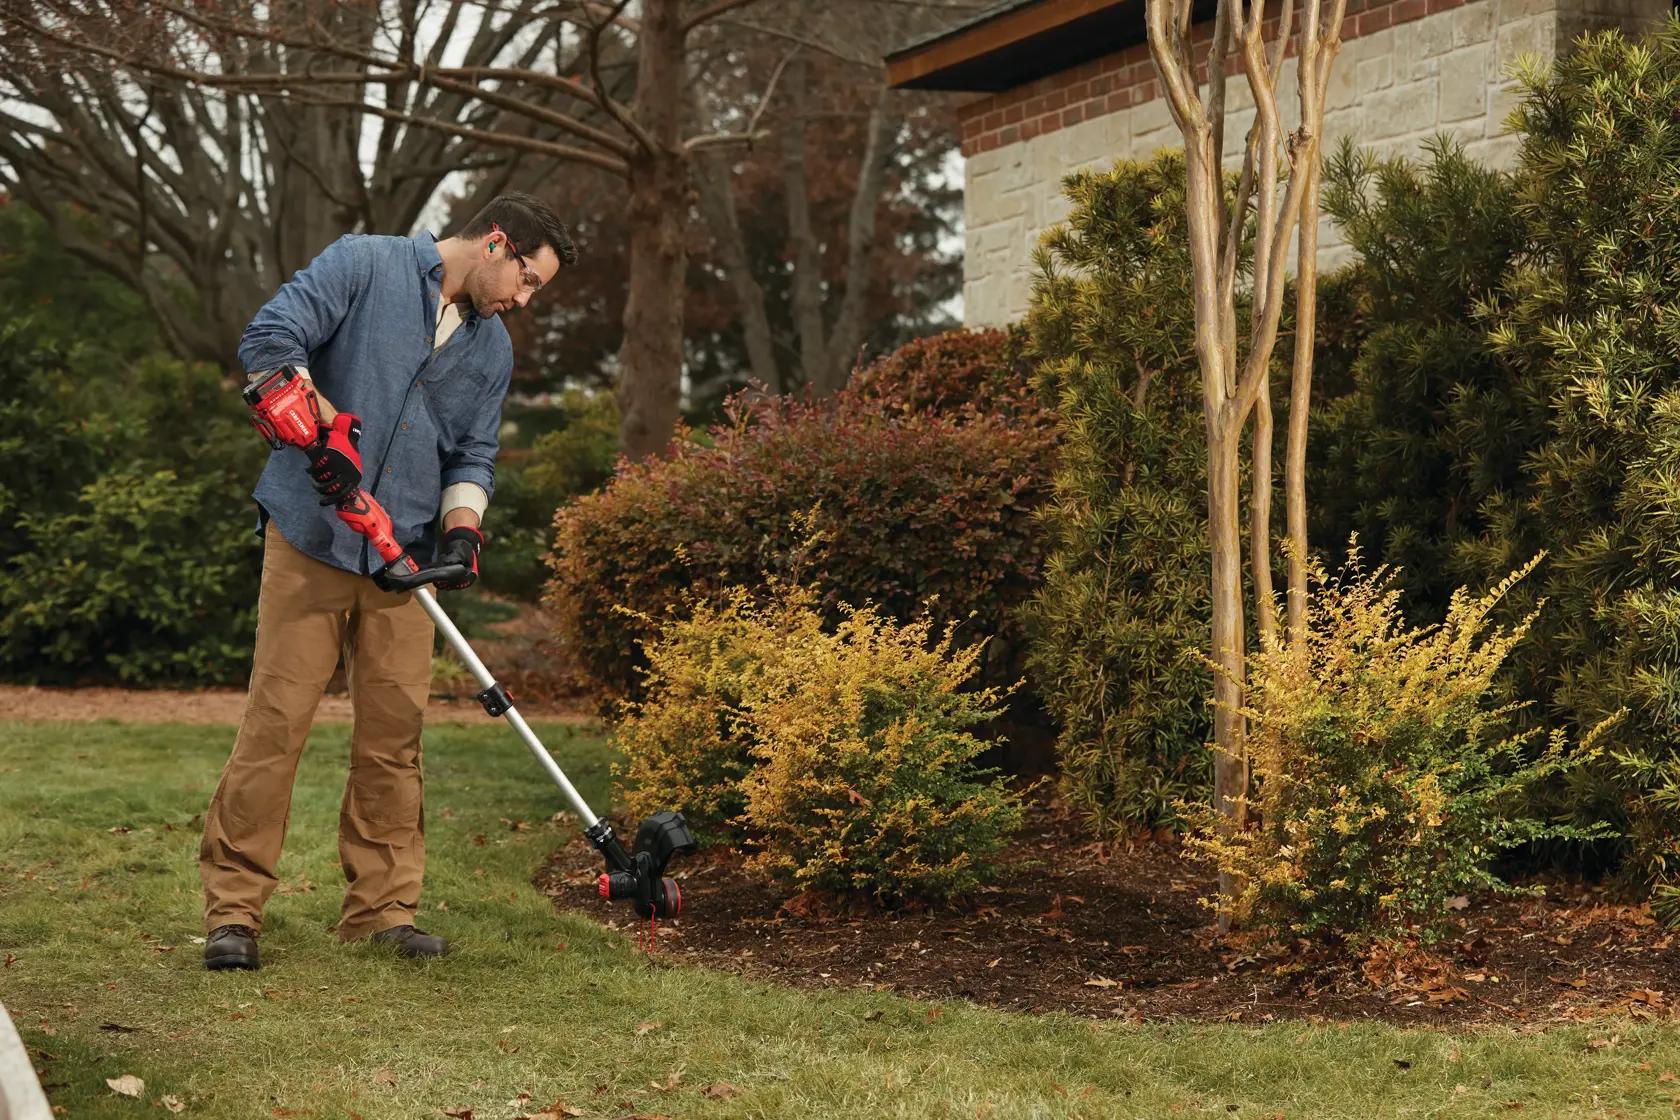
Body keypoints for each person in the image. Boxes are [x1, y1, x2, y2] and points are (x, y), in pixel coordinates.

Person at [198, 194, 577, 971]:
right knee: (277, 724)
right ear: (496, 244)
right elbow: (270, 338)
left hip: (400, 558)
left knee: (394, 739)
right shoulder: (365, 263)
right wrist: (317, 423)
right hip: (310, 536)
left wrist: (463, 528)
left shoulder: (491, 348)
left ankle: (382, 911)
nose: (524, 299)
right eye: (529, 280)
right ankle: (234, 913)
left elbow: (472, 454)